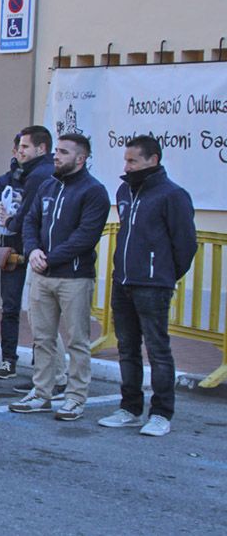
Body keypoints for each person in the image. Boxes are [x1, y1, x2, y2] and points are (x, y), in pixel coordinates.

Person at [98, 135, 197, 437]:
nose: (126, 167)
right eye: (125, 161)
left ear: (152, 161)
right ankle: (129, 407)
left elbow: (185, 245)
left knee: (157, 349)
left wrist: (163, 275)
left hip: (153, 286)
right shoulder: (125, 191)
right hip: (124, 282)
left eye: (132, 161)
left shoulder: (172, 195)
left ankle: (161, 414)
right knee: (127, 348)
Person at [10, 134, 109, 421]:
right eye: (57, 152)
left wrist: (49, 258)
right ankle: (41, 393)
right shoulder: (48, 186)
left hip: (74, 278)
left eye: (64, 153)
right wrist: (32, 251)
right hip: (42, 274)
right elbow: (30, 221)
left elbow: (85, 237)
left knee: (77, 340)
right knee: (42, 339)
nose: (56, 157)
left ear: (80, 159)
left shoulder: (94, 192)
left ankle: (75, 398)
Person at [0, 126, 68, 389]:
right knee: (11, 307)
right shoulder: (6, 179)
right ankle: (9, 360)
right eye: (18, 148)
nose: (19, 152)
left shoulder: (42, 175)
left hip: (35, 250)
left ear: (41, 149)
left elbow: (31, 217)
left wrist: (14, 219)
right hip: (12, 246)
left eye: (25, 147)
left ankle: (51, 372)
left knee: (40, 313)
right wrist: (1, 212)